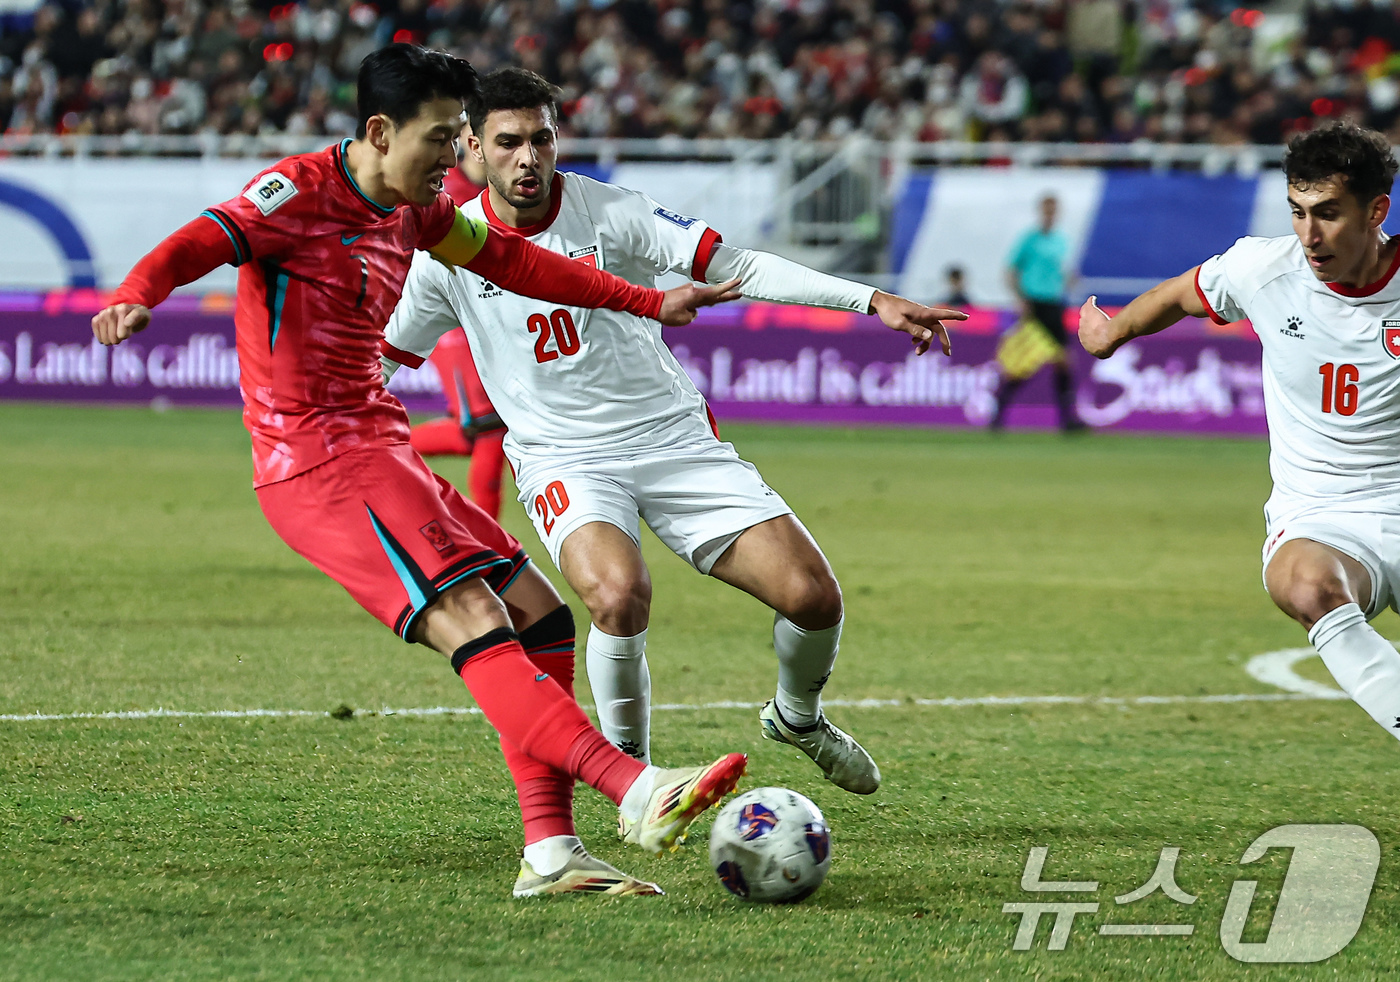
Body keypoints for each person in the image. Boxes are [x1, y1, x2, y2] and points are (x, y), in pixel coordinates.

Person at [89, 44, 748, 898]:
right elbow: (197, 242)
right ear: (378, 130)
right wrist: (139, 290)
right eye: (441, 139)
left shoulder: (420, 210)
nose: (453, 158)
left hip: (379, 443)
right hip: (317, 461)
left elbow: (520, 264)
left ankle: (550, 853)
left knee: (541, 617)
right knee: (472, 615)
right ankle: (636, 788)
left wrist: (647, 299)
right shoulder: (294, 196)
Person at [381, 67, 966, 793]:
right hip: (564, 457)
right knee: (617, 596)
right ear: (472, 145)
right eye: (507, 143)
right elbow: (384, 354)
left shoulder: (611, 212)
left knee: (814, 598)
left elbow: (739, 266)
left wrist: (871, 297)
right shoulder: (450, 253)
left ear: (558, 139)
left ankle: (797, 716)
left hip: (673, 440)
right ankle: (636, 780)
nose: (527, 158)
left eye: (541, 139)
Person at [1078, 120, 1400, 748]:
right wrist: (1113, 333)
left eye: (1329, 213)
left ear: (1376, 211)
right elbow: (1182, 293)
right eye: (1298, 211)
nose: (1309, 234)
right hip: (1320, 510)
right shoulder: (1263, 268)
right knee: (1303, 583)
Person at [408, 118, 508, 517]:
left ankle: (375, 445)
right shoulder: (445, 194)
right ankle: (492, 546)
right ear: (471, 144)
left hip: (483, 325)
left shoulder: (491, 195)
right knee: (488, 426)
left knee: (480, 431)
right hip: (450, 324)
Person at [992, 193, 1084, 431]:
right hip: (1035, 304)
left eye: (1053, 211)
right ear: (1040, 211)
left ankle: (1066, 419)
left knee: (1062, 360)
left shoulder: (1062, 241)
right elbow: (1011, 271)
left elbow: (1063, 270)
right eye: (1047, 210)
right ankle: (1000, 410)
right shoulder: (1029, 240)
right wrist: (1020, 299)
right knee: (1029, 361)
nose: (1050, 215)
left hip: (1054, 304)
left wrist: (1069, 280)